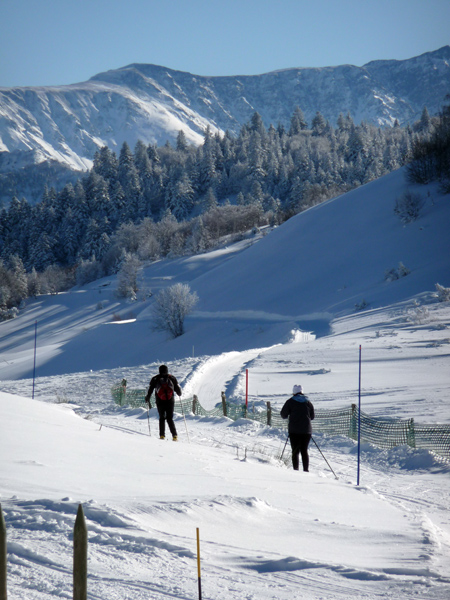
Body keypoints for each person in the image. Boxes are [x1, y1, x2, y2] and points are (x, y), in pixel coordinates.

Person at [280, 385, 315, 472]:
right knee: (304, 450)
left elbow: (283, 415)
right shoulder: (308, 402)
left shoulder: (290, 401)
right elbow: (312, 416)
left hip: (294, 430)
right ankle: (306, 470)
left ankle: (296, 470)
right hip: (306, 431)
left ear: (294, 392)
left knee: (295, 451)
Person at [145, 365, 182, 440]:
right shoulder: (172, 378)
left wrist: (148, 397)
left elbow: (151, 389)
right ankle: (174, 435)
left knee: (162, 418)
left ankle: (162, 435)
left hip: (159, 400)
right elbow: (178, 390)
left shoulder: (155, 378)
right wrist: (179, 393)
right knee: (169, 418)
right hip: (170, 400)